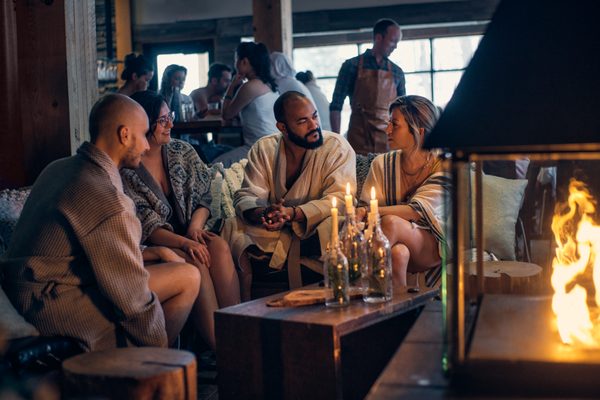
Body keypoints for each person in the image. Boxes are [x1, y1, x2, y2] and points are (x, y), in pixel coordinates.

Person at [0, 94, 200, 351]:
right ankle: (146, 370)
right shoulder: (105, 196)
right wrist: (157, 347)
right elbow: (131, 297)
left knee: (171, 266)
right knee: (188, 277)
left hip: (24, 289)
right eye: (143, 134)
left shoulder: (60, 167)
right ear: (124, 135)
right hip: (51, 305)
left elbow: (94, 247)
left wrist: (153, 252)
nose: (147, 146)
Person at [121, 90, 240, 350]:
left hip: (191, 229)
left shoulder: (181, 150)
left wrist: (196, 226)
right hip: (160, 241)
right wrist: (184, 243)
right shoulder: (128, 168)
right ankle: (220, 346)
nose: (171, 125)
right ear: (144, 124)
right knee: (195, 258)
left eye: (170, 117)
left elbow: (207, 191)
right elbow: (147, 225)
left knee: (217, 246)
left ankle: (238, 331)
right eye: (163, 120)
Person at [222, 91, 356, 301]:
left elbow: (339, 198)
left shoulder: (336, 147)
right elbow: (248, 194)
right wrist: (265, 213)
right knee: (230, 226)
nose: (314, 126)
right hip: (272, 230)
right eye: (303, 121)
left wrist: (295, 214)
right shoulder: (264, 148)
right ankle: (241, 305)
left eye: (314, 116)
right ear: (282, 127)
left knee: (340, 224)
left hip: (313, 227)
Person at [358, 95, 449, 287]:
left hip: (434, 244)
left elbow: (415, 211)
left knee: (391, 222)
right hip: (390, 240)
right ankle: (397, 312)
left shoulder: (445, 164)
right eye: (388, 123)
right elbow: (367, 208)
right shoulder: (382, 164)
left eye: (395, 125)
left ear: (419, 131)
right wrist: (366, 211)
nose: (387, 129)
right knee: (399, 253)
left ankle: (356, 278)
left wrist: (369, 211)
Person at [330, 18, 406, 155]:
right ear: (378, 37)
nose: (395, 46)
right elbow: (336, 105)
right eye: (393, 41)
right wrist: (337, 142)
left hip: (389, 142)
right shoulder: (351, 66)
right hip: (358, 140)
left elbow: (403, 111)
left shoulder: (397, 72)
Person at [212, 42, 279, 168]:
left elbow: (226, 115)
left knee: (215, 167)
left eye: (236, 60)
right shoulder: (270, 85)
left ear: (244, 62)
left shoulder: (249, 86)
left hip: (259, 149)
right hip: (275, 146)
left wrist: (231, 86)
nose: (235, 65)